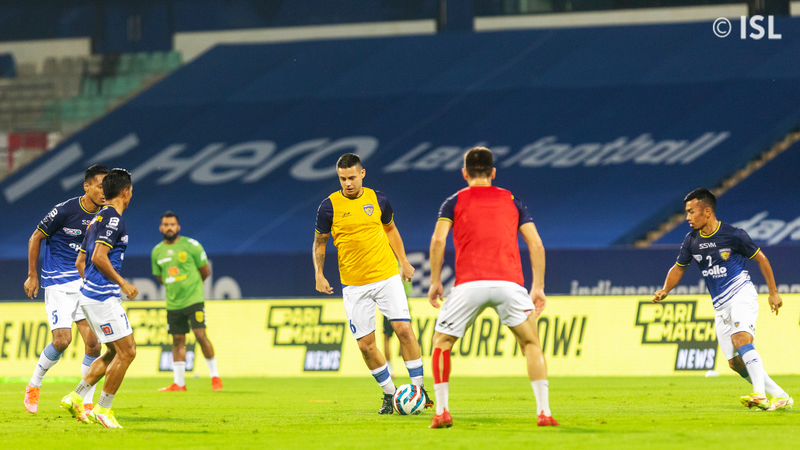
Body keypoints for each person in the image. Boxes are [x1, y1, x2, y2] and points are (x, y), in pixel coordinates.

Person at [428, 147, 558, 429]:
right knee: (531, 344)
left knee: (442, 343)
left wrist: (435, 280)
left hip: (469, 284)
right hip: (509, 284)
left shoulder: (453, 201)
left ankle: (442, 411)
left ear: (464, 173)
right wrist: (538, 287)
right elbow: (536, 244)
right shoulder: (512, 200)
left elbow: (438, 240)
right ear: (493, 173)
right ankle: (544, 413)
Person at [653, 188, 792, 411]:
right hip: (720, 306)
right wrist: (665, 290)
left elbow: (762, 259)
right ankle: (780, 395)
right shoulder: (691, 240)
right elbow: (679, 267)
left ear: (707, 211)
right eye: (687, 212)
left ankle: (759, 395)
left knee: (741, 339)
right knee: (735, 363)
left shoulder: (734, 235)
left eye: (691, 212)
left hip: (741, 294)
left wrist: (773, 292)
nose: (687, 217)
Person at [313, 153, 431, 415]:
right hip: (354, 285)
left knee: (404, 330)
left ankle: (419, 390)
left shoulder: (378, 199)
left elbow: (391, 229)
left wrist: (404, 261)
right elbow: (320, 242)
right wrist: (319, 273)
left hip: (386, 276)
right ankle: (390, 393)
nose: (348, 183)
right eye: (342, 178)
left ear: (362, 173)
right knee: (366, 346)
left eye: (352, 177)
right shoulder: (328, 207)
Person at [22, 165, 108, 414]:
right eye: (100, 186)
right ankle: (34, 384)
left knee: (94, 345)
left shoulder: (106, 216)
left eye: (107, 187)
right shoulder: (65, 210)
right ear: (87, 186)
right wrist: (32, 275)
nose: (104, 192)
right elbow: (35, 237)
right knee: (62, 341)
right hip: (58, 282)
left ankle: (87, 401)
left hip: (84, 283)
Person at [61, 168, 138, 428]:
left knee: (114, 351)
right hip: (102, 298)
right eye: (131, 190)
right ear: (125, 192)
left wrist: (91, 288)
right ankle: (103, 410)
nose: (131, 194)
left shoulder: (97, 219)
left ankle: (75, 396)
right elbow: (98, 257)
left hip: (91, 297)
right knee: (128, 352)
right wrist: (122, 283)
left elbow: (80, 261)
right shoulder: (114, 219)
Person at [151, 211, 222, 392]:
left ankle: (215, 376)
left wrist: (192, 285)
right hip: (173, 303)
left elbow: (205, 271)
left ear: (178, 227)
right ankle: (179, 383)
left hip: (193, 299)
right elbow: (160, 277)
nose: (169, 228)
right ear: (161, 228)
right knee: (177, 340)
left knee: (200, 335)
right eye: (166, 225)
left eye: (172, 224)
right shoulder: (157, 251)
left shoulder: (191, 246)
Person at [383, 262, 413, 379]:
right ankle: (413, 368)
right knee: (408, 338)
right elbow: (408, 291)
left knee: (387, 339)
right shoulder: (405, 266)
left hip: (389, 307)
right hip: (404, 307)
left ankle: (390, 370)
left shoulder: (385, 265)